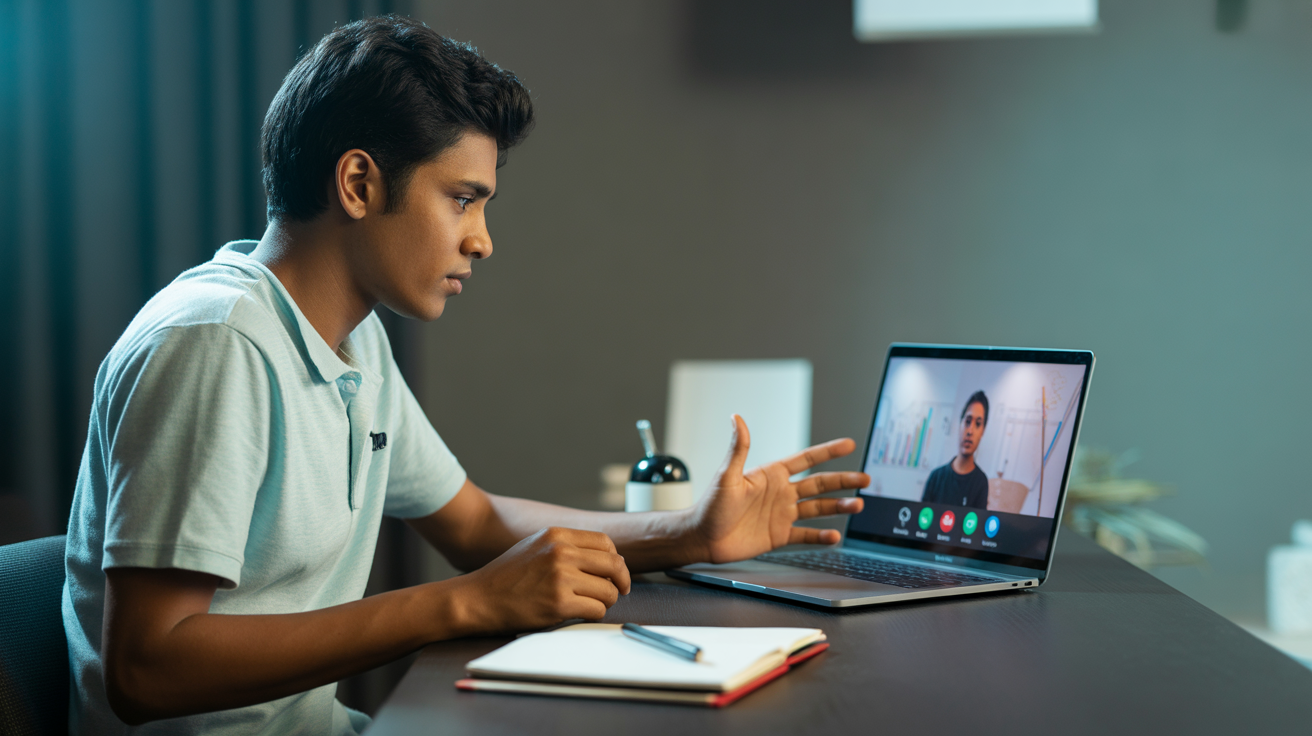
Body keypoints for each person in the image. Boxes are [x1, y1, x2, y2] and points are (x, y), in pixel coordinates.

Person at [61, 16, 870, 735]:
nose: (481, 240)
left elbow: (476, 524)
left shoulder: (353, 340)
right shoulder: (216, 344)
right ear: (358, 183)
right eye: (462, 199)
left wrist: (690, 533)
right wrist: (460, 603)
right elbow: (146, 669)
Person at [921, 391, 990, 509]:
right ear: (960, 423)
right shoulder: (936, 477)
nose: (970, 431)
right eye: (967, 421)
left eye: (978, 424)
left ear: (983, 431)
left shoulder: (981, 483)